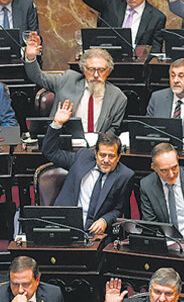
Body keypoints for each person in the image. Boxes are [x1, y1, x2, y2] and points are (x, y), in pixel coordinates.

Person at [43, 100, 134, 235]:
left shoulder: (125, 175)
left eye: (111, 156)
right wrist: (57, 124)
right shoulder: (82, 157)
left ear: (118, 157)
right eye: (102, 155)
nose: (106, 160)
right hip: (65, 225)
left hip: (97, 232)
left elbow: (119, 209)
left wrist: (105, 220)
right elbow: (50, 152)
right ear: (95, 153)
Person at [24, 35, 127, 134]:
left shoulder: (117, 97)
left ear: (108, 71)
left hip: (97, 148)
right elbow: (38, 77)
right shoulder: (67, 80)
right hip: (65, 143)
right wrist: (31, 57)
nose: (96, 75)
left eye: (101, 70)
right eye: (91, 70)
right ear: (83, 69)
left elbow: (114, 128)